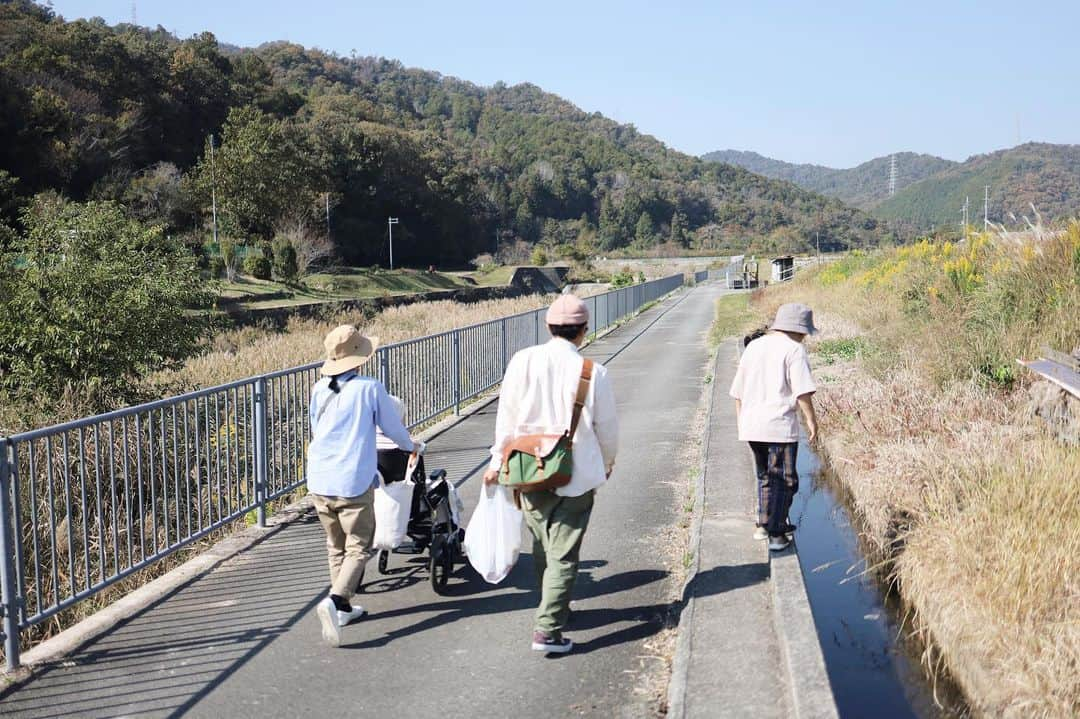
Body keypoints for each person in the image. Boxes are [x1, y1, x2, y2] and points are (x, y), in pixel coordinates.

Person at [483, 294, 619, 654]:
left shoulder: (521, 361)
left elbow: (506, 417)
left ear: (548, 326)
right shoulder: (592, 372)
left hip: (527, 469)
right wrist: (607, 462)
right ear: (583, 331)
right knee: (564, 551)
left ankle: (555, 608)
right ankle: (547, 630)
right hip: (575, 473)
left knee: (543, 542)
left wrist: (497, 461)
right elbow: (607, 428)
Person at [307, 325, 424, 647]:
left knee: (336, 546)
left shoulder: (320, 389)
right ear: (359, 357)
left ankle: (342, 608)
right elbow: (393, 428)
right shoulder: (370, 388)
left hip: (319, 478)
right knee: (360, 545)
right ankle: (334, 600)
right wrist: (411, 446)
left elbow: (316, 428)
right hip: (351, 480)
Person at [729, 303, 819, 552]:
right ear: (798, 330)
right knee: (786, 480)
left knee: (766, 476)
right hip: (778, 425)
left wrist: (741, 422)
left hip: (751, 424)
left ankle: (763, 524)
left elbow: (738, 391)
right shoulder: (794, 350)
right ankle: (777, 534)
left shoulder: (754, 346)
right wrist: (812, 421)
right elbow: (802, 391)